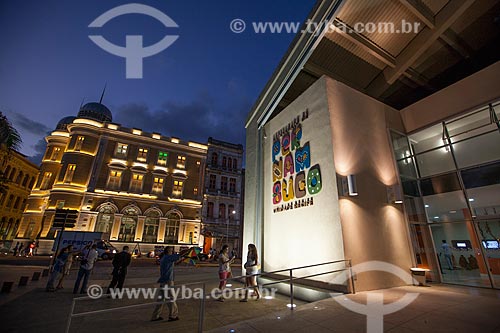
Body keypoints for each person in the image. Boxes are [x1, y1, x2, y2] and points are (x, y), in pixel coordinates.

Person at [151, 246, 183, 322]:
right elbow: (180, 255)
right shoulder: (168, 257)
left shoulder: (164, 258)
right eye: (171, 251)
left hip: (162, 280)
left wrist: (181, 260)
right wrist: (188, 251)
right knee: (171, 298)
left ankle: (155, 316)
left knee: (160, 299)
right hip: (167, 281)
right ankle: (173, 315)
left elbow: (174, 262)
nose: (172, 252)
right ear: (168, 251)